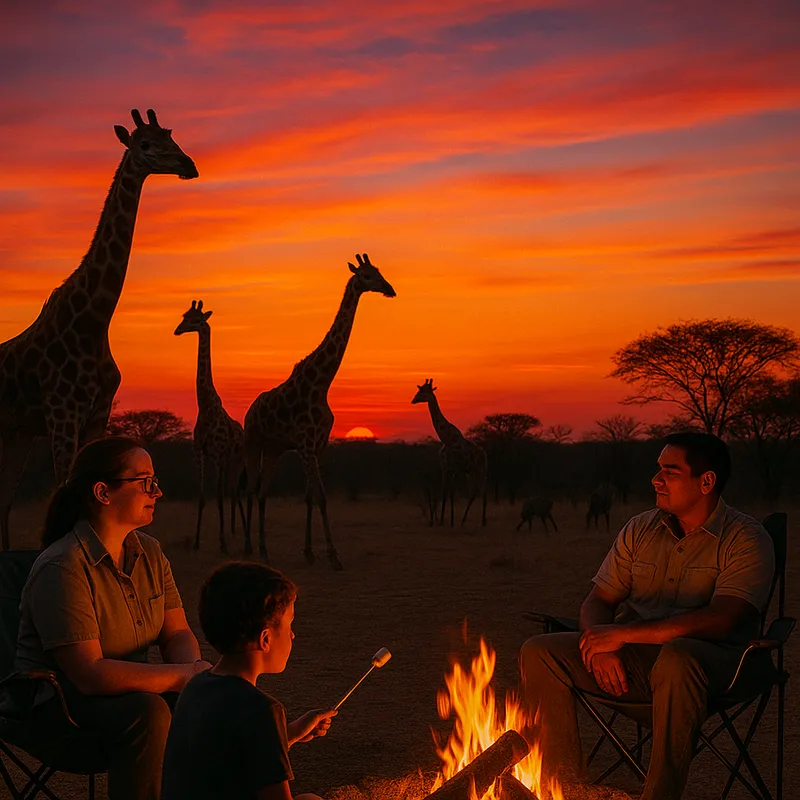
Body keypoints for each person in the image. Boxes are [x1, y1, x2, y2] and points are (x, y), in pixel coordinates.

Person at [519, 432, 775, 800]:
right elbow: (598, 601)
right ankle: (562, 789)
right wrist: (598, 643)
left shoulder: (746, 538)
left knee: (677, 658)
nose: (656, 480)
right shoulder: (640, 529)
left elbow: (723, 619)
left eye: (670, 472)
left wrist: (623, 635)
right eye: (658, 469)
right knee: (539, 650)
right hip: (633, 664)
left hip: (718, 668)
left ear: (706, 482)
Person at [14, 436, 212, 800]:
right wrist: (183, 676)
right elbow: (89, 675)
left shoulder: (149, 552)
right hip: (59, 711)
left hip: (132, 694)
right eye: (146, 482)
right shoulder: (63, 567)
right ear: (103, 492)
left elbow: (177, 632)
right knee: (151, 711)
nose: (158, 492)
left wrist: (195, 677)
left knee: (209, 697)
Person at [161, 561, 337, 800]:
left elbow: (226, 762)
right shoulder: (262, 710)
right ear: (265, 639)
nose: (293, 635)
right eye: (289, 625)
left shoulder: (195, 687)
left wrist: (290, 733)